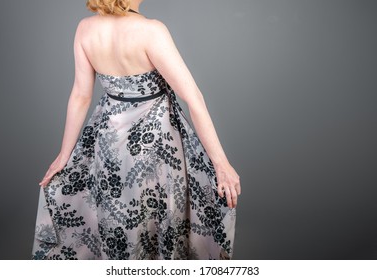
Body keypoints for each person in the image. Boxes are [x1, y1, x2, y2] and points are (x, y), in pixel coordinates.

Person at [32, 0, 241, 260]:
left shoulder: (85, 29)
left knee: (120, 225)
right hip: (156, 147)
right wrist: (220, 163)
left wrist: (64, 155)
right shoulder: (151, 30)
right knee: (159, 225)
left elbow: (80, 96)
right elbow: (193, 97)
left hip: (108, 143)